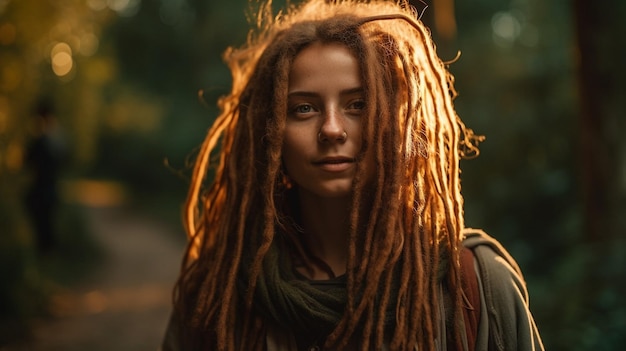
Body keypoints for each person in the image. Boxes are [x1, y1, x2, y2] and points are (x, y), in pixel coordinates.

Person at [162, 0, 544, 350]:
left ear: (397, 121)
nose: (332, 129)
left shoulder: (475, 286)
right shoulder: (219, 291)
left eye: (358, 104)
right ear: (269, 133)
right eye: (304, 108)